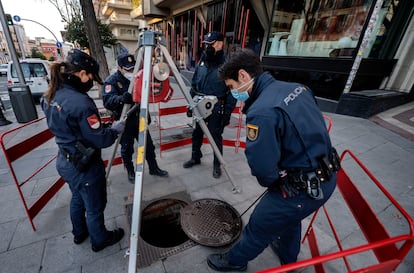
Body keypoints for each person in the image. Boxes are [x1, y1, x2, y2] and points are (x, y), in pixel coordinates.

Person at [207, 48, 340, 271]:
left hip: (300, 188)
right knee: (290, 219)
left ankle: (234, 262)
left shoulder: (262, 111)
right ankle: (289, 257)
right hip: (326, 176)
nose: (232, 93)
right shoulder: (297, 88)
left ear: (243, 76)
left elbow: (263, 167)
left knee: (261, 224)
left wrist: (277, 180)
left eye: (231, 87)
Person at [41, 49, 125, 252]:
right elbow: (100, 139)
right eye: (89, 76)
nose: (90, 81)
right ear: (80, 73)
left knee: (78, 198)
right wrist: (113, 131)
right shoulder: (81, 102)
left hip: (65, 160)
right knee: (95, 206)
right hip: (84, 165)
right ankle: (100, 240)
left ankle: (79, 233)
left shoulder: (51, 94)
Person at [102, 53, 168, 182]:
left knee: (148, 145)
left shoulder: (140, 76)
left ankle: (154, 168)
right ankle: (131, 171)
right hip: (125, 120)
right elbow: (107, 101)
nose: (131, 71)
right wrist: (121, 99)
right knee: (127, 148)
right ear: (119, 67)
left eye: (133, 68)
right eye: (128, 69)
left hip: (140, 118)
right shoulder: (112, 81)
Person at [183, 31, 237, 178]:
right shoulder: (202, 61)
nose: (207, 47)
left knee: (215, 136)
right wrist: (190, 104)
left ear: (220, 44)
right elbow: (194, 84)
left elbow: (233, 91)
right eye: (206, 44)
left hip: (216, 106)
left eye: (211, 44)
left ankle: (217, 164)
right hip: (199, 103)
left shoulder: (228, 66)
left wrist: (227, 113)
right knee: (197, 133)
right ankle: (196, 157)